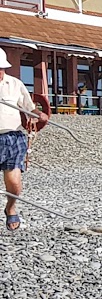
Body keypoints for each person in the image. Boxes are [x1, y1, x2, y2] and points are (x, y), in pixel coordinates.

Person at [0, 51, 39, 232]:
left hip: (12, 137)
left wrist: (37, 116)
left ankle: (11, 207)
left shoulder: (15, 84)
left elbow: (30, 109)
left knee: (14, 184)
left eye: (1, 68)